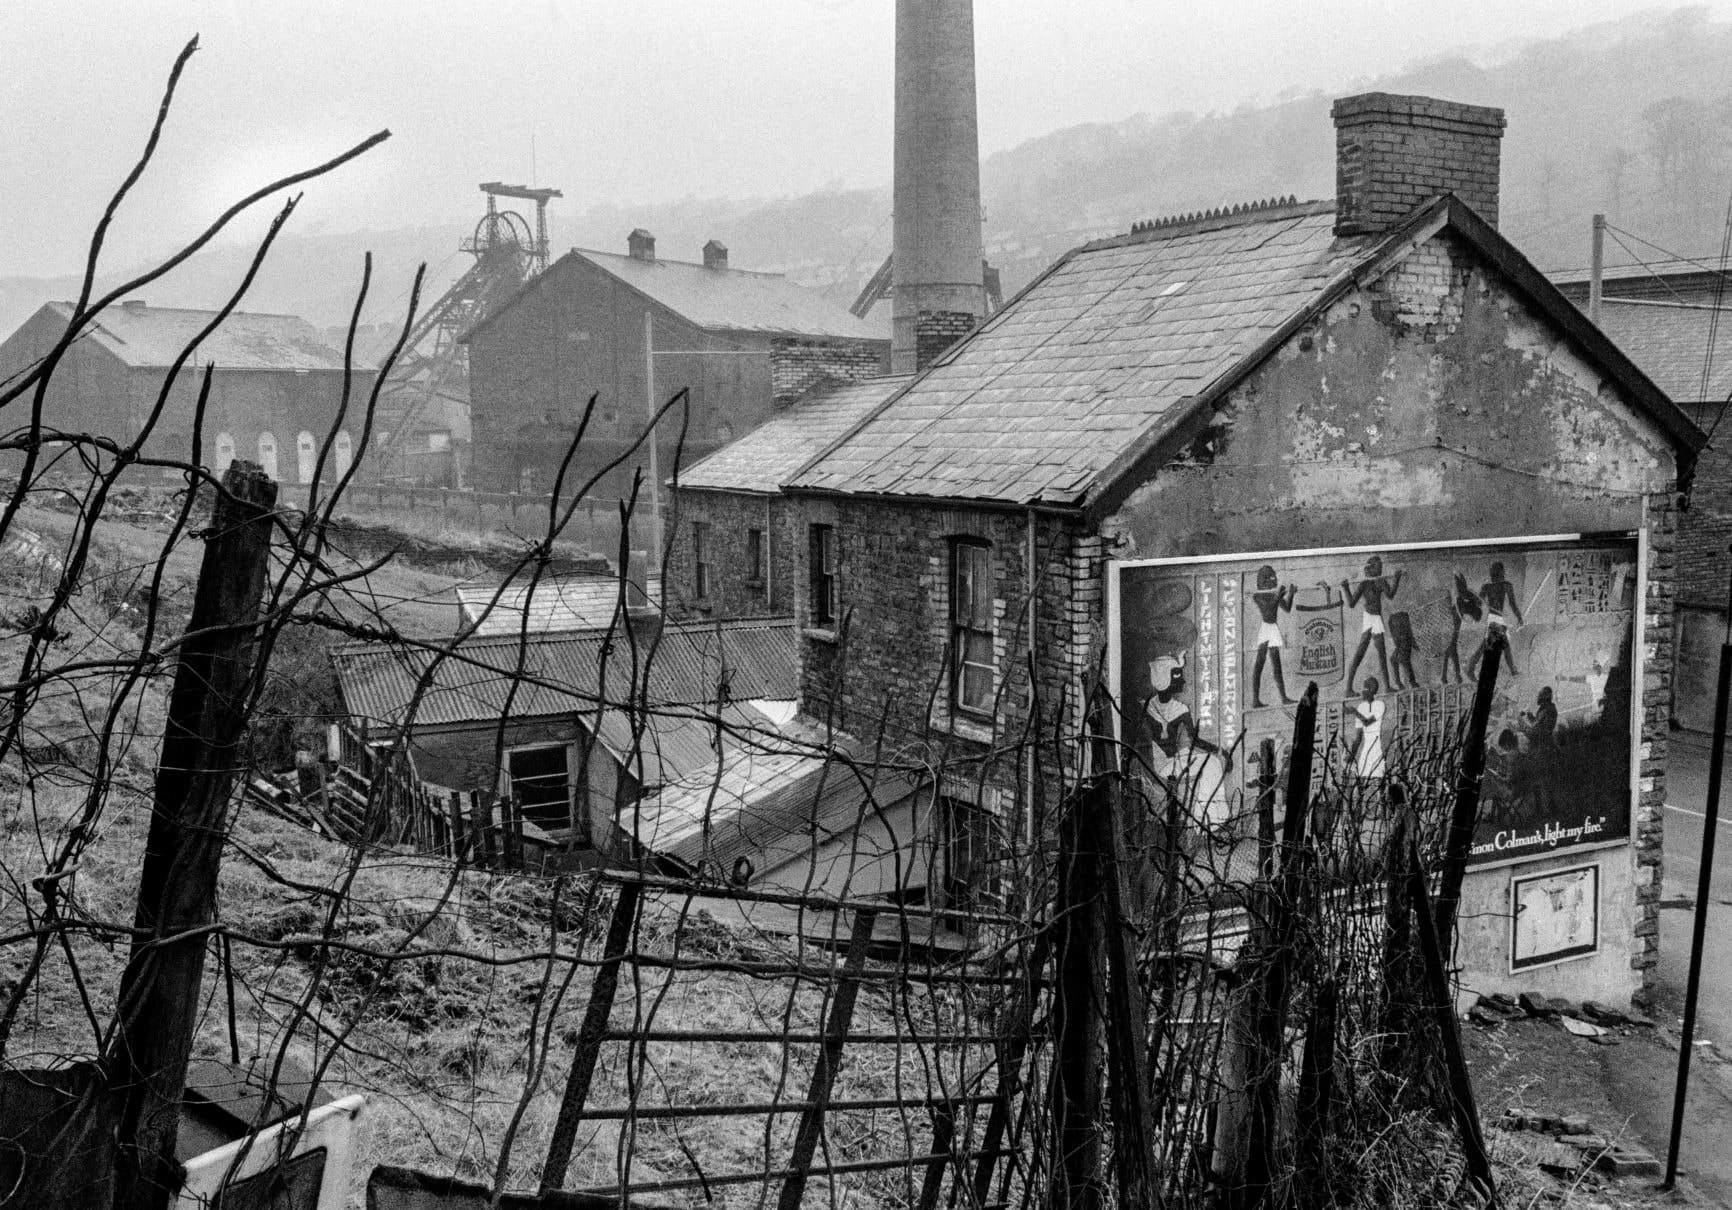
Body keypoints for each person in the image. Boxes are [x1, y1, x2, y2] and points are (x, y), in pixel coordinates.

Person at [1343, 555, 1404, 693]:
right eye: (1378, 566)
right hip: (1369, 618)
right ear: (1370, 568)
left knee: (1382, 654)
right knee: (1360, 653)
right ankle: (1348, 689)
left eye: (1381, 566)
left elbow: (1390, 595)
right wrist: (1345, 588)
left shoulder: (1381, 581)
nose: (1381, 568)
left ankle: (1387, 687)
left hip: (1376, 618)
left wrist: (1396, 579)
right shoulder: (1364, 584)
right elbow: (1351, 603)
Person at [1250, 565, 1297, 707]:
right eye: (1270, 577)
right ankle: (1255, 699)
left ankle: (1283, 697)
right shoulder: (1258, 595)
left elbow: (1287, 608)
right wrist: (1278, 595)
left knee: (1277, 665)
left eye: (1273, 577)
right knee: (1259, 664)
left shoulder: (1272, 594)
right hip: (1266, 628)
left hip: (1272, 629)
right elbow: (1269, 611)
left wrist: (1291, 594)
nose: (1273, 579)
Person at [1468, 561, 1524, 678]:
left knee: (1498, 644)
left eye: (1495, 574)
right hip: (1495, 619)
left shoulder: (1490, 587)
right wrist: (1519, 617)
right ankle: (1471, 667)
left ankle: (1471, 666)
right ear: (1502, 572)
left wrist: (1478, 596)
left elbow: (1478, 602)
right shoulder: (1501, 586)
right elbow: (1479, 603)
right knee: (1498, 644)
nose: (1496, 576)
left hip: (1495, 618)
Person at [1349, 677, 1387, 782]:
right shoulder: (1361, 707)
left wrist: (1354, 711)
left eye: (1364, 688)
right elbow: (1358, 738)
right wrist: (1351, 756)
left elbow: (1367, 722)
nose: (1361, 691)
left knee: (1380, 778)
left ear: (1371, 689)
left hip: (1376, 747)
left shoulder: (1380, 705)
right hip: (1366, 748)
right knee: (1361, 778)